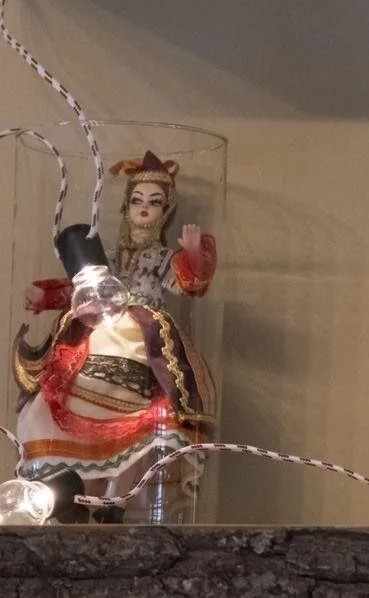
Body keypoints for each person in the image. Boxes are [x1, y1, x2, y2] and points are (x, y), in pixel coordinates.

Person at [13, 151, 217, 524]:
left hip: (143, 333)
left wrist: (192, 256)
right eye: (137, 201)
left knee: (149, 415)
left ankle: (114, 499)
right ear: (126, 207)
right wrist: (48, 296)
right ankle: (69, 486)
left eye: (154, 202)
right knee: (60, 388)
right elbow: (84, 287)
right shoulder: (109, 257)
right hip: (101, 322)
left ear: (165, 212)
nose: (144, 208)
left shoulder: (159, 257)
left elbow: (185, 282)